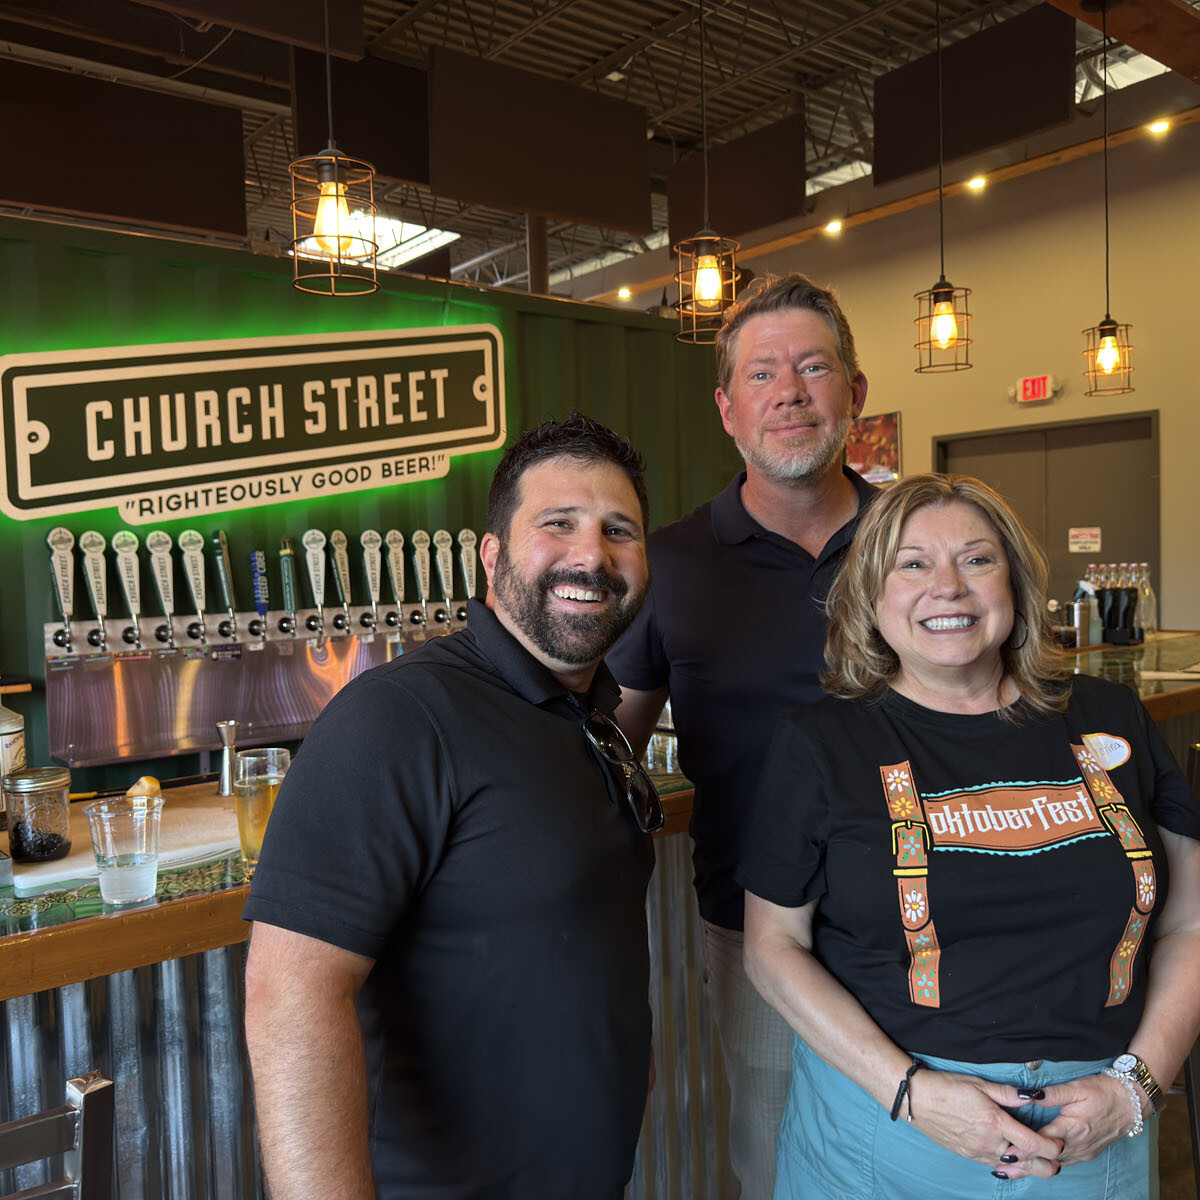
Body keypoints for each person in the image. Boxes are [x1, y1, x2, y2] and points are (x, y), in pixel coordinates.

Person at [739, 473, 1200, 1199]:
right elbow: (773, 947)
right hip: (887, 1129)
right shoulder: (819, 745)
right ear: (871, 594)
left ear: (1014, 580)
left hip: (1095, 1132)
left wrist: (1137, 1086)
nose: (946, 586)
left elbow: (1190, 924)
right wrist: (910, 1092)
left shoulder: (1112, 717)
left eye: (977, 559)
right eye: (912, 563)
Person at [242, 412, 664, 1199]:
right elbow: (289, 997)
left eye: (619, 530)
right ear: (492, 554)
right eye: (559, 524)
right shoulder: (399, 718)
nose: (592, 554)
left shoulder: (590, 713)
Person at [607, 272, 872, 1198]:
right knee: (779, 1170)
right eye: (762, 375)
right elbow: (611, 759)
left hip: (932, 919)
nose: (790, 392)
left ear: (855, 394)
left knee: (943, 1161)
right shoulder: (671, 562)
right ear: (727, 410)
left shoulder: (918, 543)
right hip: (761, 932)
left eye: (813, 368)